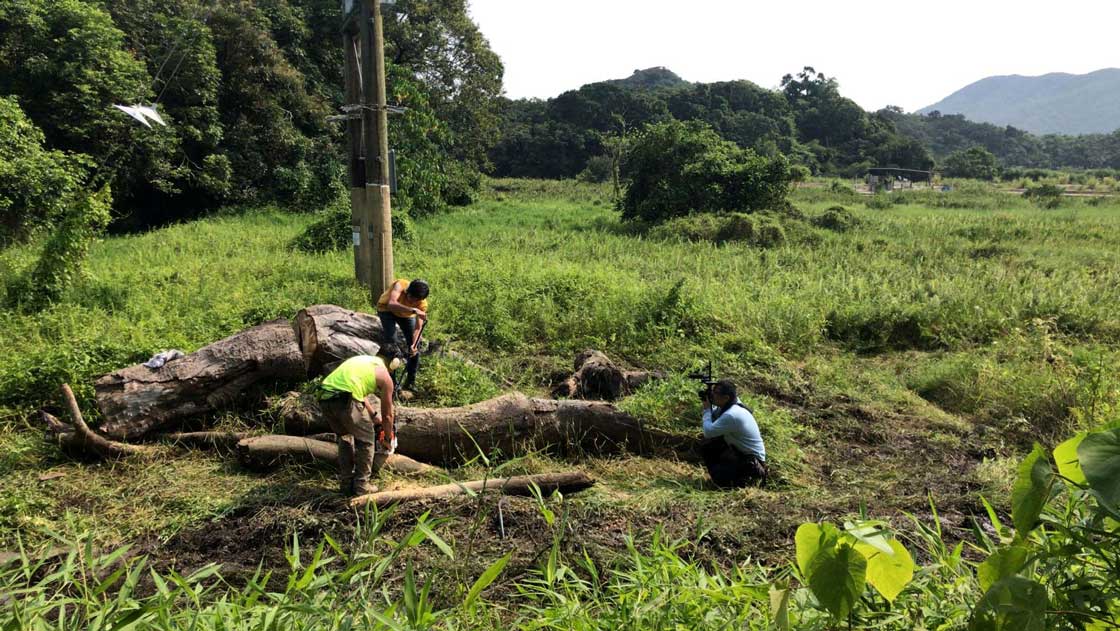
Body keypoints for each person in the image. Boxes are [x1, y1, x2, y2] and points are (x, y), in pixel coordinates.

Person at [318, 352, 401, 496]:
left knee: (345, 437)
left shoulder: (362, 361)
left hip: (325, 397)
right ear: (393, 364)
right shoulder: (385, 376)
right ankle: (362, 485)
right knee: (367, 441)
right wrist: (387, 439)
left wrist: (374, 416)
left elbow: (360, 394)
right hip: (346, 399)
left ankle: (346, 483)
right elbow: (388, 415)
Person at [699, 380, 767, 488]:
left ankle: (727, 484)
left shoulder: (732, 414)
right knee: (710, 445)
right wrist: (710, 406)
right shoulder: (732, 404)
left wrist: (707, 410)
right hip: (743, 456)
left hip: (753, 467)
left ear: (726, 398)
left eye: (715, 393)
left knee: (709, 444)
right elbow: (715, 418)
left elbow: (708, 432)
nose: (712, 395)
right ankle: (723, 480)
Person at [376, 279, 429, 393]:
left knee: (415, 347)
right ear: (407, 292)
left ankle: (410, 382)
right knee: (391, 344)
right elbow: (391, 304)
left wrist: (414, 345)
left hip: (405, 315)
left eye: (416, 301)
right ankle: (392, 383)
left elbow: (418, 328)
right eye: (411, 298)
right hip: (386, 309)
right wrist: (413, 310)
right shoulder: (400, 285)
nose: (413, 302)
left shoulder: (422, 304)